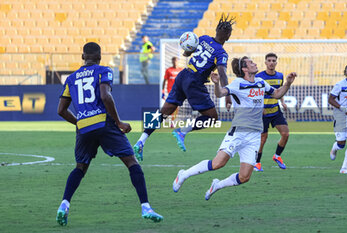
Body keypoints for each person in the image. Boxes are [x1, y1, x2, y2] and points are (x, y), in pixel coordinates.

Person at [56, 42, 163, 226]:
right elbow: (105, 96)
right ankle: (146, 207)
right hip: (104, 123)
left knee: (80, 168)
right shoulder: (103, 71)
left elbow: (61, 110)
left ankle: (64, 205)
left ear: (83, 57)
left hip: (84, 128)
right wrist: (119, 121)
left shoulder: (71, 78)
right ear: (99, 57)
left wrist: (80, 122)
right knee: (131, 162)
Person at [172, 56, 297, 200]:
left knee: (245, 177)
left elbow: (276, 94)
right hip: (239, 132)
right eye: (251, 63)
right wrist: (216, 83)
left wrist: (287, 83)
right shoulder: (238, 83)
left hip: (254, 136)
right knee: (218, 163)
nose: (255, 63)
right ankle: (183, 175)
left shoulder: (261, 82)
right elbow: (220, 94)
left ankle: (217, 185)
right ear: (244, 69)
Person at [133, 14, 234, 161]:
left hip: (183, 75)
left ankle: (141, 141)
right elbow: (223, 75)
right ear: (228, 36)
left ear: (216, 30)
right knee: (212, 117)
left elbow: (187, 52)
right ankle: (182, 131)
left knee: (163, 112)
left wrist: (187, 48)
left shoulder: (204, 38)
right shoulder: (221, 53)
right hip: (195, 82)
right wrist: (228, 96)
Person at [255, 53, 289, 171]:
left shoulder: (280, 76)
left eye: (273, 60)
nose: (271, 63)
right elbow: (255, 94)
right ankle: (257, 162)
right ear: (265, 62)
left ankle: (277, 156)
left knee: (285, 134)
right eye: (269, 60)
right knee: (263, 138)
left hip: (275, 110)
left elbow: (279, 91)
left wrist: (282, 102)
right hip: (262, 112)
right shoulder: (259, 77)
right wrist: (260, 107)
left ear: (276, 62)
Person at [328, 64, 347, 174]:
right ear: (345, 72)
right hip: (341, 115)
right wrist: (342, 108)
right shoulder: (340, 85)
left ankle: (344, 168)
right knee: (341, 144)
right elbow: (330, 99)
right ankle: (335, 148)